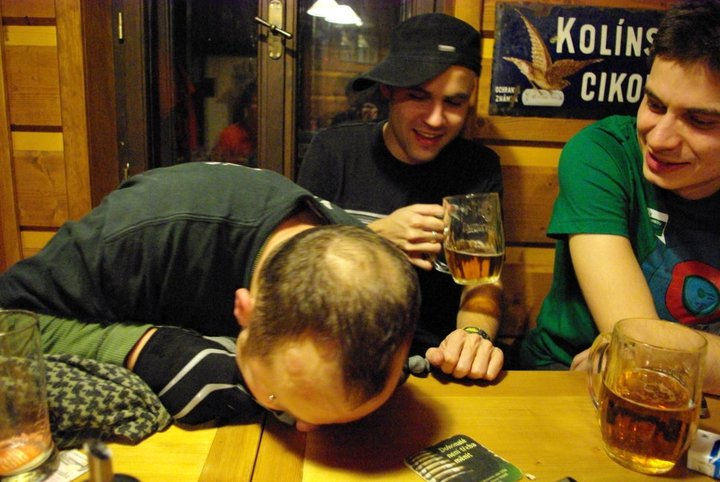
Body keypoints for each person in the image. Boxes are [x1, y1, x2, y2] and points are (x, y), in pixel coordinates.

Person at [0, 162, 421, 431]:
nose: (305, 430)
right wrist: (143, 349)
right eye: (279, 401)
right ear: (245, 311)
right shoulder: (141, 235)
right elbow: (7, 322)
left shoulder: (372, 270)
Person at [518, 0, 720, 394]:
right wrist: (645, 350)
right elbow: (636, 343)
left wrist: (656, 353)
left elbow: (641, 351)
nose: (659, 139)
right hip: (568, 379)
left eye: (699, 121)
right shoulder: (602, 152)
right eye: (654, 104)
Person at [297, 13, 504, 381]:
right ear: (388, 91)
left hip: (436, 364)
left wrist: (474, 336)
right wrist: (371, 238)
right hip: (337, 359)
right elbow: (295, 270)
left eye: (454, 102)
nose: (436, 119)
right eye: (418, 97)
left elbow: (482, 280)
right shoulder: (334, 151)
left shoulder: (478, 167)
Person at [211, 81, 258, 166]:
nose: (260, 107)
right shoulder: (230, 135)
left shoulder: (273, 135)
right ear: (246, 105)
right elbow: (218, 166)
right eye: (255, 103)